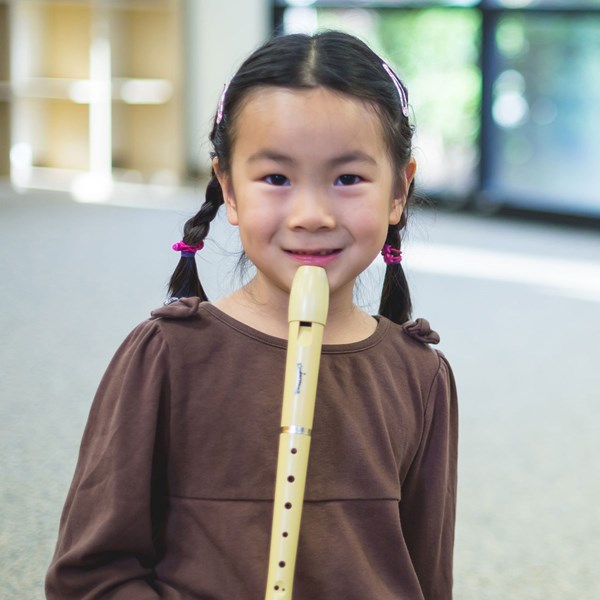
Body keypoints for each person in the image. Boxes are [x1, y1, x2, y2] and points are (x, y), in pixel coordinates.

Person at [46, 30, 458, 599]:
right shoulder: (168, 355)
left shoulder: (421, 376)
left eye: (348, 179)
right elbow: (90, 577)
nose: (311, 214)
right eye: (275, 178)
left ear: (399, 192)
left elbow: (426, 577)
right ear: (228, 189)